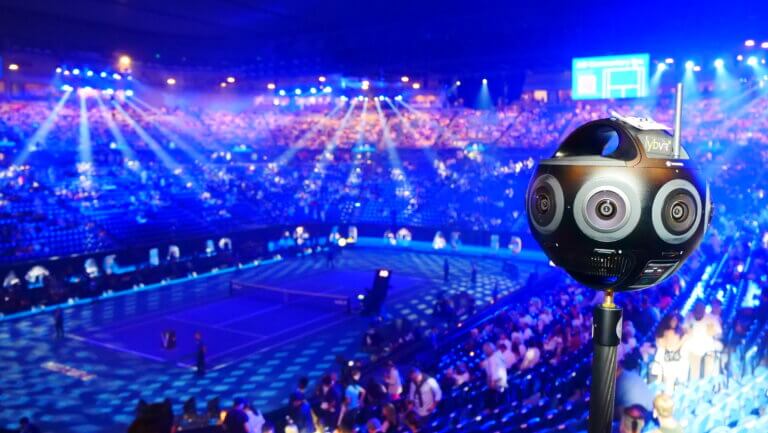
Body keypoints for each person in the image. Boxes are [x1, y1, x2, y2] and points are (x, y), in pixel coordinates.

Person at [481, 342, 507, 410]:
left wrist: (493, 383)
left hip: (497, 382)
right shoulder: (495, 357)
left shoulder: (494, 359)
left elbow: (494, 372)